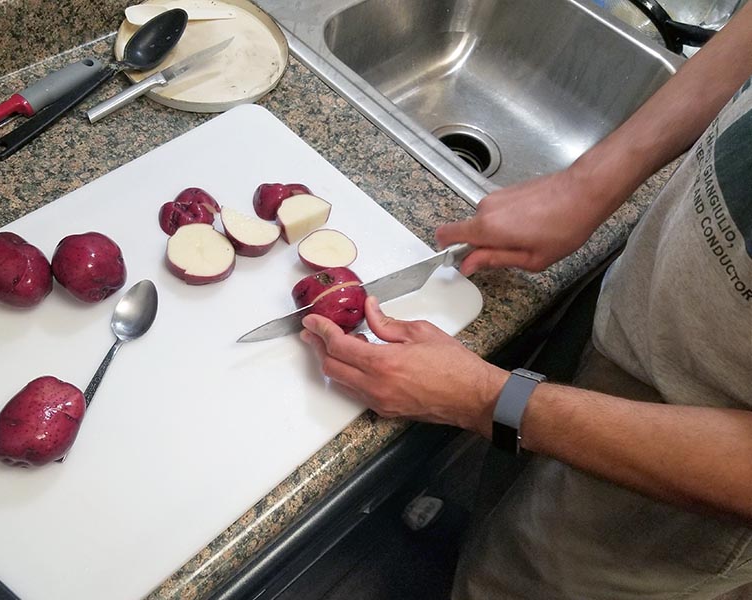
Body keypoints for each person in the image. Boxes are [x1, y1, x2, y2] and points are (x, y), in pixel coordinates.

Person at [299, 3, 752, 599]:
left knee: (523, 582)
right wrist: (588, 184)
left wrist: (486, 399)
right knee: (509, 500)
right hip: (631, 315)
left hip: (684, 481)